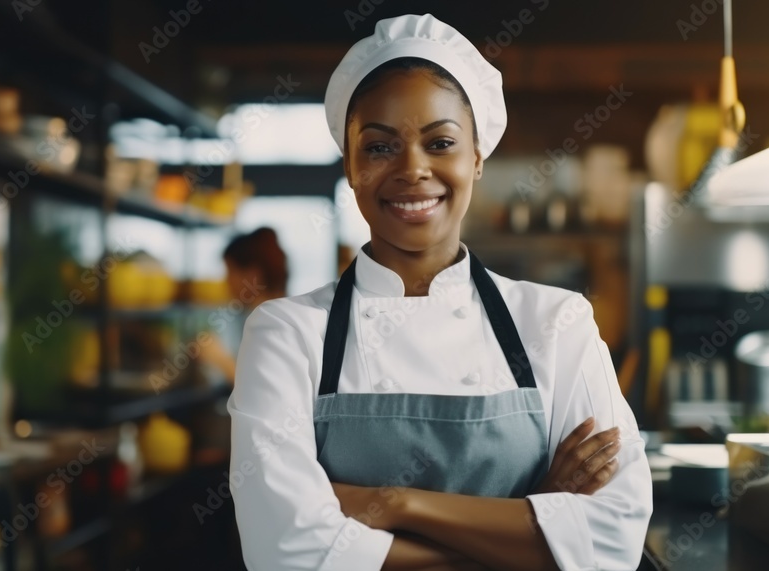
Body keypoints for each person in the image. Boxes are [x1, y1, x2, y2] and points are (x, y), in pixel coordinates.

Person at [228, 14, 651, 571]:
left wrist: (395, 505)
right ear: (350, 166)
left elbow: (612, 541)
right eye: (379, 147)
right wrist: (533, 520)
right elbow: (286, 552)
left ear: (476, 158)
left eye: (441, 142)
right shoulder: (286, 333)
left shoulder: (557, 322)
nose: (412, 169)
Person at [199, 227, 288, 384]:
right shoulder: (261, 315)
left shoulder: (272, 321)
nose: (226, 281)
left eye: (230, 272)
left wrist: (220, 359)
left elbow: (264, 391)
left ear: (252, 275)